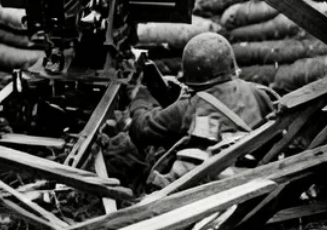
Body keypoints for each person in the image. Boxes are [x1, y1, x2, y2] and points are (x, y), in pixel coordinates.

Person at [102, 33, 274, 190]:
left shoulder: (189, 106)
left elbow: (140, 131)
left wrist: (140, 100)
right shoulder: (258, 92)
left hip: (208, 187)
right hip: (254, 177)